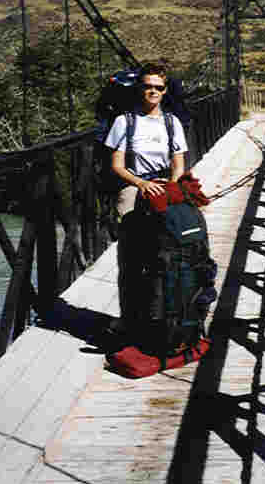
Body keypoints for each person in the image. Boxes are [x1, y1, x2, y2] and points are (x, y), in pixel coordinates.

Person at [103, 61, 188, 335]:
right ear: (139, 88)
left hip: (164, 187)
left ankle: (163, 315)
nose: (152, 91)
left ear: (165, 91)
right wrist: (141, 184)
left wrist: (171, 187)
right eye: (147, 86)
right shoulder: (123, 122)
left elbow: (179, 164)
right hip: (133, 186)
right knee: (130, 256)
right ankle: (128, 318)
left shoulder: (172, 122)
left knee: (167, 254)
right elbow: (116, 165)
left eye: (158, 87)